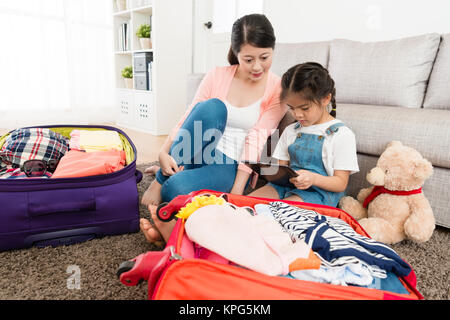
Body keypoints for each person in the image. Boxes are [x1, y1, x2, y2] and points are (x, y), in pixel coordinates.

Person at [140, 14, 287, 244]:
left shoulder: (278, 89)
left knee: (176, 189)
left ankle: (171, 204)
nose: (257, 66)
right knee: (212, 108)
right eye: (248, 59)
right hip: (198, 149)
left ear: (273, 49)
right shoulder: (217, 75)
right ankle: (162, 177)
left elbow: (259, 137)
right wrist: (164, 153)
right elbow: (191, 116)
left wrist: (237, 190)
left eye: (264, 57)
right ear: (236, 53)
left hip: (230, 165)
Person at [248, 62, 359, 207]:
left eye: (304, 108)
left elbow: (340, 183)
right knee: (246, 205)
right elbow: (282, 169)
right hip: (287, 186)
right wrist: (272, 172)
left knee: (276, 212)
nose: (297, 114)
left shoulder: (342, 134)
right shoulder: (291, 130)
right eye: (291, 108)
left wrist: (313, 179)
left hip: (319, 192)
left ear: (325, 99)